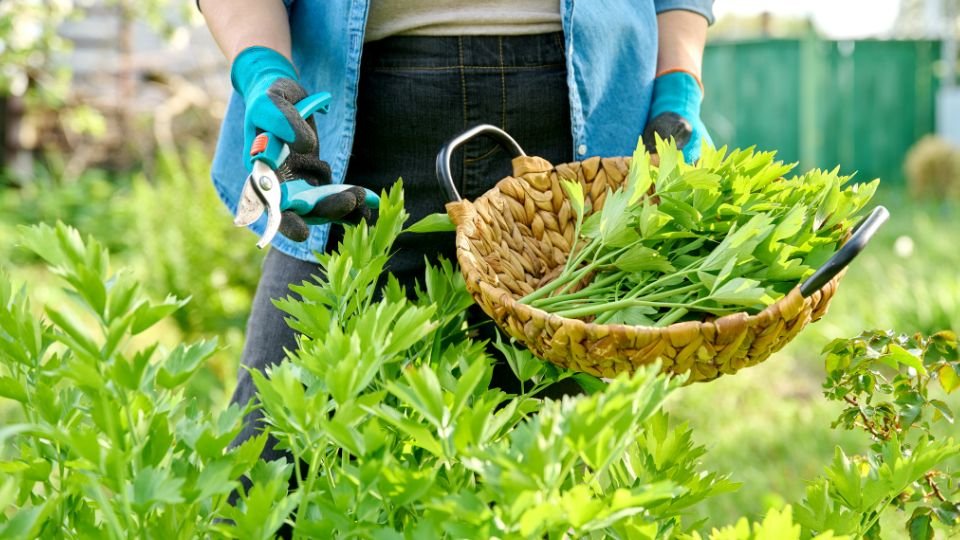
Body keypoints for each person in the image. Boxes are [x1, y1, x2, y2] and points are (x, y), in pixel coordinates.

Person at [199, 0, 713, 492]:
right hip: (348, 139)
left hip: (577, 153)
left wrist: (678, 84)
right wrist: (262, 66)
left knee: (547, 486)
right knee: (269, 460)